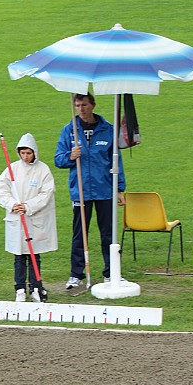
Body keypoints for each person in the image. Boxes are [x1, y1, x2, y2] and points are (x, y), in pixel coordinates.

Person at [54, 93, 125, 290]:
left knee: (108, 234)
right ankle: (76, 275)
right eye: (77, 105)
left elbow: (116, 162)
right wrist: (71, 155)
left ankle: (112, 273)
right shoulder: (69, 131)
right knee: (79, 234)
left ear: (92, 105)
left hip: (104, 191)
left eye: (84, 105)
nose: (81, 109)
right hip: (81, 191)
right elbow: (58, 159)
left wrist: (119, 188)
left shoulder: (107, 130)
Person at [0, 133, 57, 302]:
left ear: (34, 152)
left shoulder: (43, 170)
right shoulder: (12, 169)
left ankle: (36, 287)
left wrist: (28, 206)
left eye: (28, 153)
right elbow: (1, 189)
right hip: (17, 219)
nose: (25, 156)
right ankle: (20, 288)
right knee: (19, 256)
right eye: (23, 153)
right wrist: (12, 204)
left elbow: (47, 193)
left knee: (34, 255)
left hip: (34, 219)